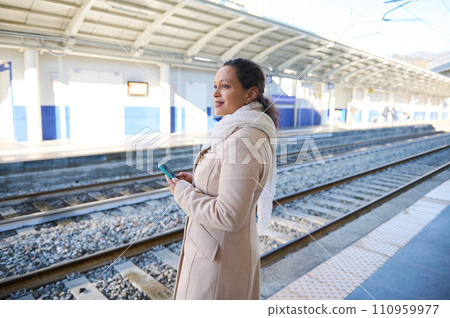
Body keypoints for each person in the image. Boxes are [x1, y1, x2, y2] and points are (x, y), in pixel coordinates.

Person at [165, 58, 278, 300]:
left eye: (225, 86)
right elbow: (234, 180)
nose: (216, 93)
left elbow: (228, 214)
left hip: (217, 261)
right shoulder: (239, 129)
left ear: (250, 94)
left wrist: (182, 192)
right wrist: (197, 179)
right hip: (224, 251)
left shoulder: (243, 137)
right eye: (214, 86)